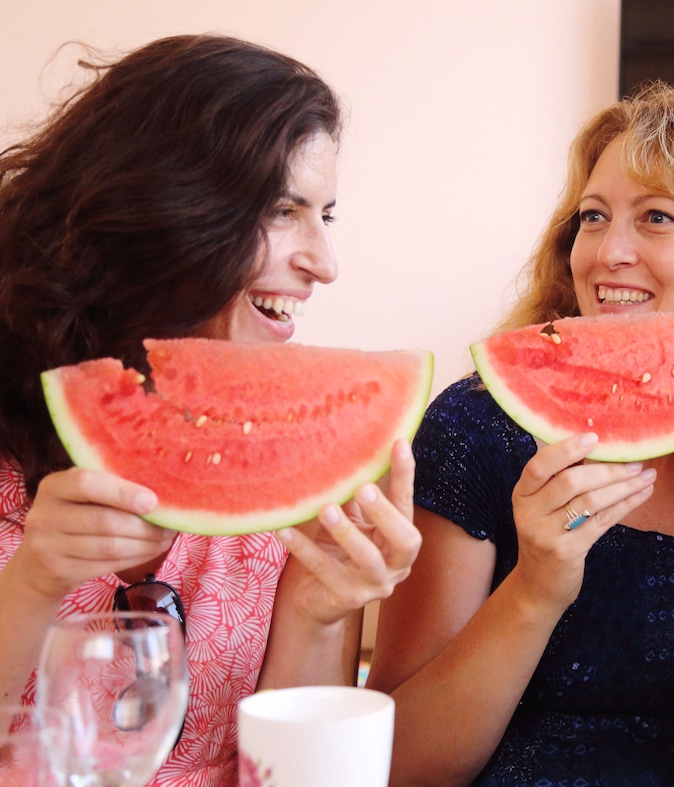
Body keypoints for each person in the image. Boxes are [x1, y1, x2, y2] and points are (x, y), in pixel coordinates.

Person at [365, 82, 674, 787]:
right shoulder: (476, 429)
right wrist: (535, 588)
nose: (607, 251)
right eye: (592, 218)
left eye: (656, 218)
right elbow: (402, 767)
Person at [0, 35, 421, 786]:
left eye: (327, 213)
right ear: (165, 205)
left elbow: (292, 777)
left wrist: (319, 611)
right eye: (282, 209)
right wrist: (34, 583)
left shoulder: (295, 444)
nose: (324, 262)